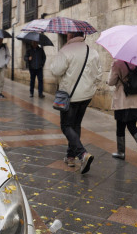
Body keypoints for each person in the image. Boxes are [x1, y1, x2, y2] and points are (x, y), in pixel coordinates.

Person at [50, 32, 102, 174]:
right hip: (86, 96)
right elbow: (99, 75)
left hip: (70, 96)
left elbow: (55, 71)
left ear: (70, 35)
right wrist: (90, 88)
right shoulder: (93, 52)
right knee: (76, 124)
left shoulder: (66, 50)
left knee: (66, 125)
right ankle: (70, 156)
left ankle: (82, 154)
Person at [107, 60, 137, 162]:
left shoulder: (118, 63)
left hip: (123, 100)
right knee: (132, 125)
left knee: (120, 126)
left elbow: (111, 81)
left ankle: (121, 152)